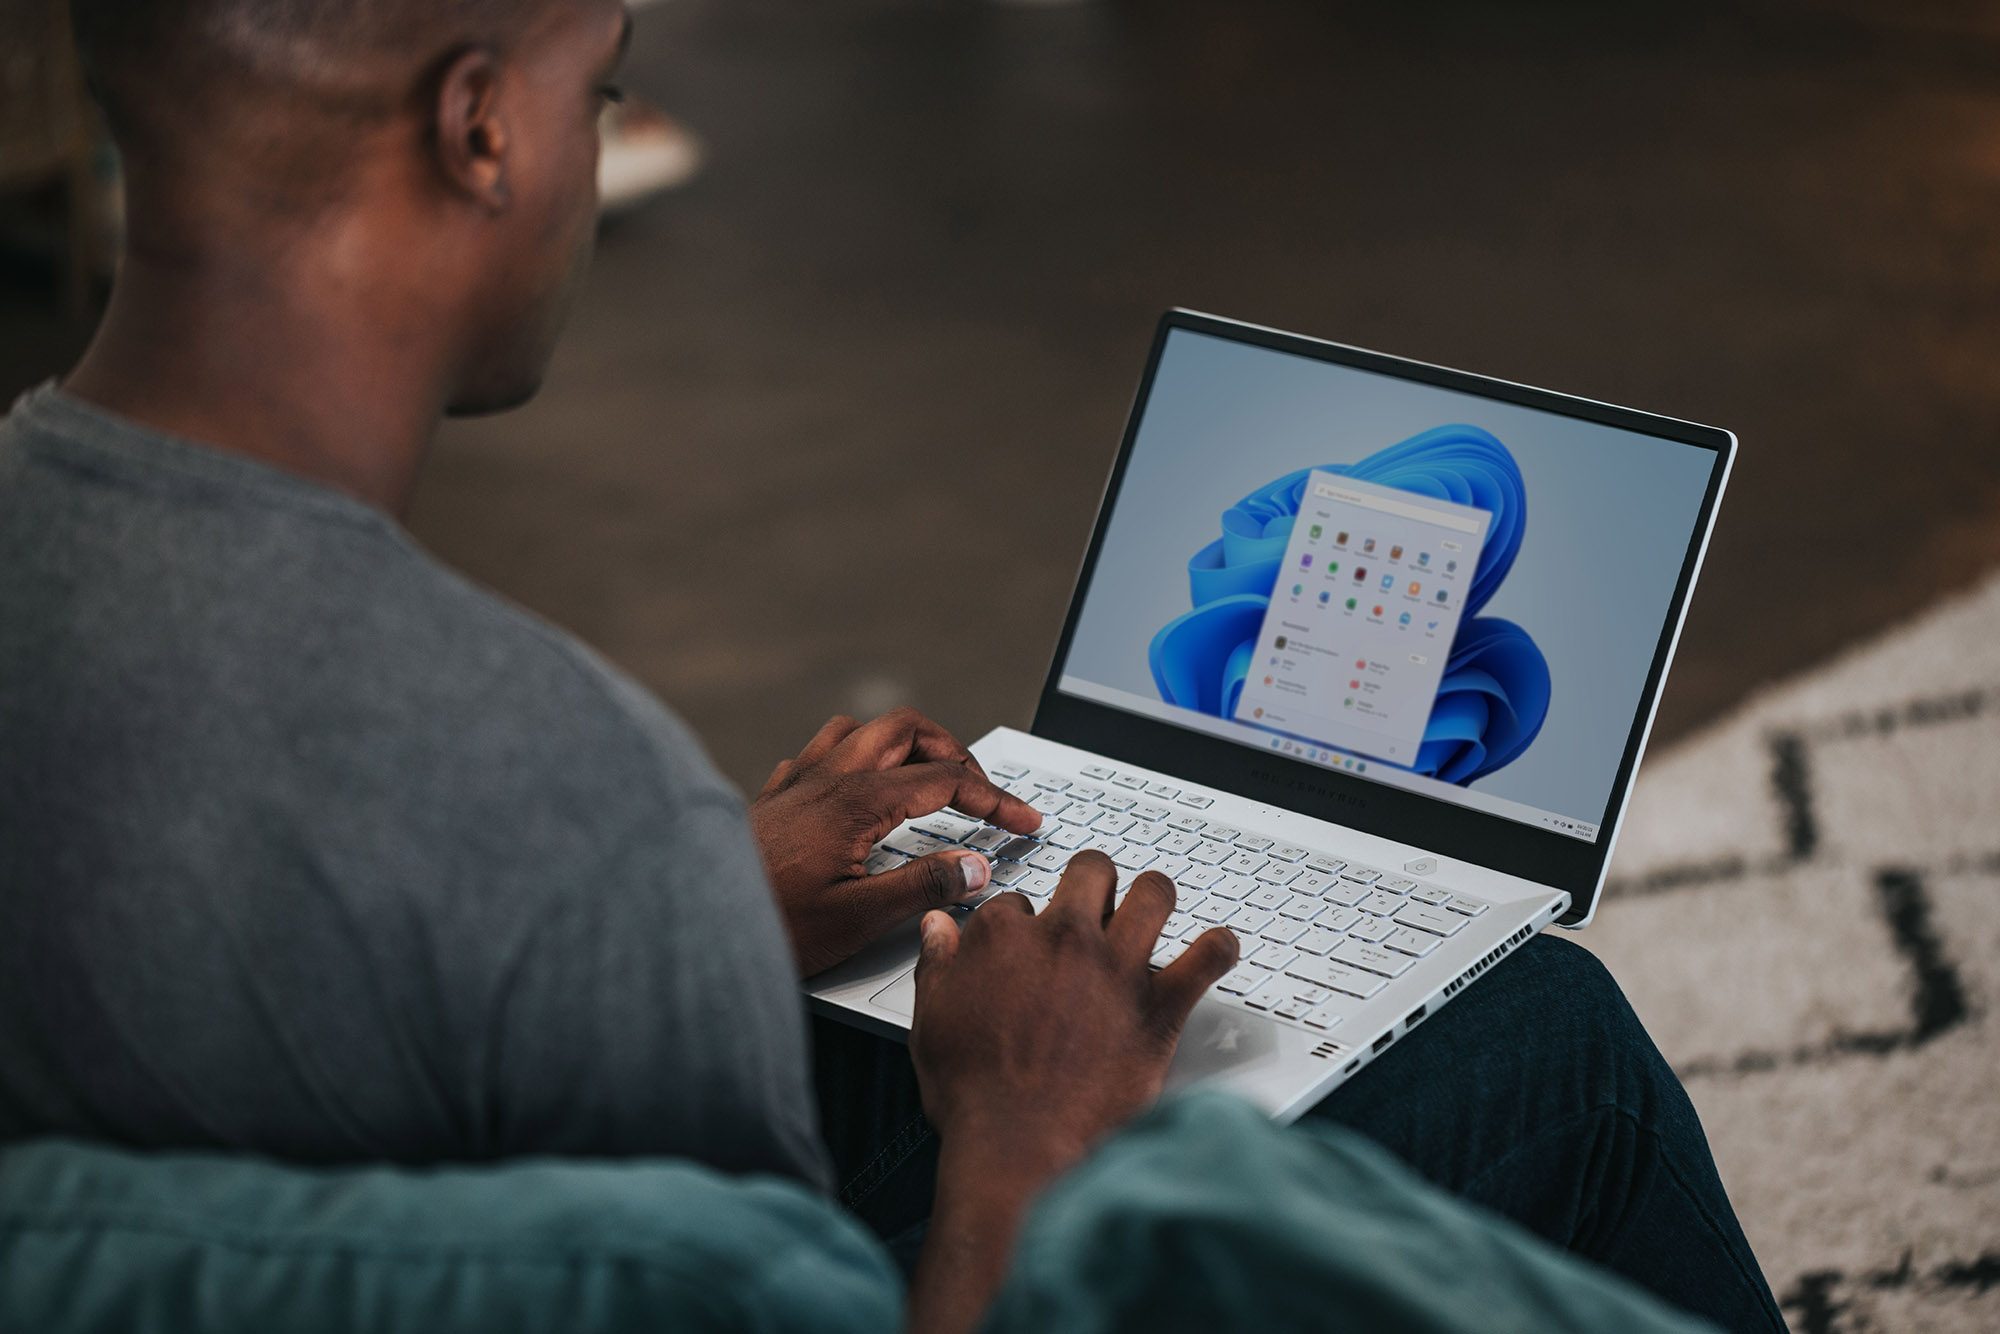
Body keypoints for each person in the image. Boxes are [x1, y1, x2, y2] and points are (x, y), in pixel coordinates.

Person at [0, 2, 1784, 1330]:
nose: (590, 136)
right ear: (480, 127)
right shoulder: (552, 788)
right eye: (598, 85)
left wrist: (709, 899)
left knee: (930, 966)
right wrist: (1028, 1134)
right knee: (1556, 1045)